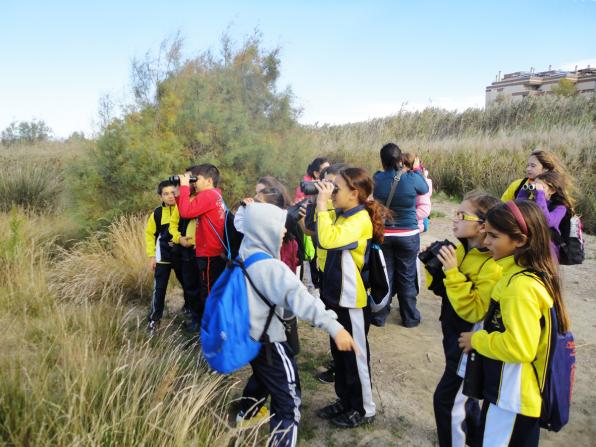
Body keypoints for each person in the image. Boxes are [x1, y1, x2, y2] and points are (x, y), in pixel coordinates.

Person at [236, 202, 358, 447]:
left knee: (265, 379)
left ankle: (246, 415)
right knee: (289, 404)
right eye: (279, 226)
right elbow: (305, 302)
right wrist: (336, 328)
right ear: (264, 230)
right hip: (271, 342)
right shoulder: (272, 269)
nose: (284, 231)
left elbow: (242, 221)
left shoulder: (245, 250)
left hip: (250, 336)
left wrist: (245, 209)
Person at [458, 200, 571, 447]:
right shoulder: (519, 273)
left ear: (519, 241)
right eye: (486, 233)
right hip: (509, 394)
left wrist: (476, 340)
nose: (486, 241)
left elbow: (520, 347)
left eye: (494, 236)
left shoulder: (520, 286)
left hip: (512, 397)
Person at [313, 167, 388, 428]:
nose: (332, 192)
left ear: (354, 193)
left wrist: (323, 204)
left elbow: (328, 239)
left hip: (352, 301)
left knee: (356, 357)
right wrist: (318, 205)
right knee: (340, 354)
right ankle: (346, 400)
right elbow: (316, 230)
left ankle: (364, 408)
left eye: (337, 188)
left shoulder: (358, 221)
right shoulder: (344, 215)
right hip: (334, 297)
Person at [426, 192, 502, 447]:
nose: (454, 219)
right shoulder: (460, 249)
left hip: (470, 342)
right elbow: (444, 291)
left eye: (462, 215)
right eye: (455, 213)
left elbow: (475, 310)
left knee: (447, 400)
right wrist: (434, 269)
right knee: (466, 397)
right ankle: (475, 439)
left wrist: (452, 272)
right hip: (452, 335)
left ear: (483, 226)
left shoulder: (492, 265)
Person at [372, 143, 429, 327]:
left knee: (384, 275)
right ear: (400, 159)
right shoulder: (412, 177)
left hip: (385, 234)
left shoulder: (377, 178)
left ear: (382, 161)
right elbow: (424, 189)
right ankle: (410, 317)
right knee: (407, 275)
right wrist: (416, 168)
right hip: (408, 235)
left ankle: (379, 316)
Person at [177, 164, 226, 328]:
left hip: (209, 255)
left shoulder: (208, 195)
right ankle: (212, 328)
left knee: (209, 294)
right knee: (211, 292)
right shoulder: (216, 195)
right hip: (214, 253)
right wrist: (183, 189)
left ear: (209, 180)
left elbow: (186, 212)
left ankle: (212, 332)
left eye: (195, 179)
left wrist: (184, 187)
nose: (193, 183)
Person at [145, 180, 185, 333]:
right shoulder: (157, 213)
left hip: (181, 255)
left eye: (173, 193)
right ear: (160, 197)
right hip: (162, 256)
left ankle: (190, 314)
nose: (170, 196)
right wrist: (151, 256)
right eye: (165, 194)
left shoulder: (184, 209)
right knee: (159, 289)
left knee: (188, 286)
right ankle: (154, 320)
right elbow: (150, 235)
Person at [517, 170, 574, 262]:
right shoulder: (533, 202)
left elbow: (546, 220)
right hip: (530, 245)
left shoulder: (560, 208)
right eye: (535, 185)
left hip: (547, 252)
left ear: (552, 190)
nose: (536, 189)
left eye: (541, 187)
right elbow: (518, 208)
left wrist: (540, 194)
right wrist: (524, 190)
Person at [501, 149, 567, 201]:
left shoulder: (554, 187)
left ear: (546, 168)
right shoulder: (517, 184)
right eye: (528, 165)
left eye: (533, 166)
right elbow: (502, 206)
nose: (528, 169)